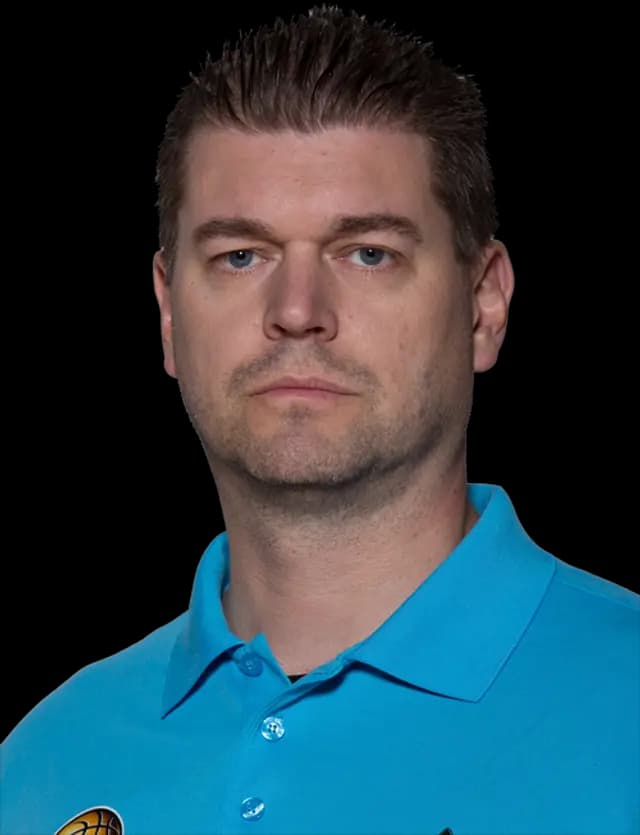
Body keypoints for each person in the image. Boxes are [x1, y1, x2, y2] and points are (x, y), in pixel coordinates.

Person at [2, 6, 638, 835]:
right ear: (168, 312)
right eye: (241, 256)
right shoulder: (43, 762)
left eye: (368, 252)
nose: (297, 310)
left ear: (484, 305)